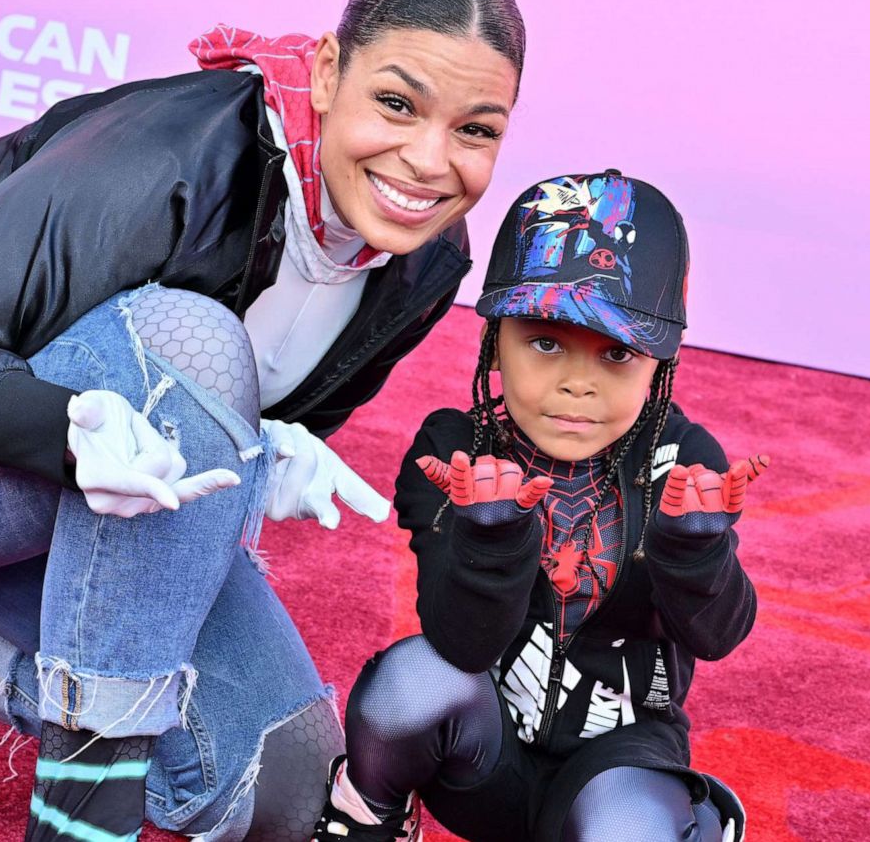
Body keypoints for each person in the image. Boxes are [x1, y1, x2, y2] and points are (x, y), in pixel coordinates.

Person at [0, 0, 524, 841]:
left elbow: (248, 431)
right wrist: (63, 430)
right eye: (398, 103)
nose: (427, 162)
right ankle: (80, 817)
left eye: (476, 130)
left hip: (75, 481)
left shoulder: (424, 261)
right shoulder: (174, 157)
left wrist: (263, 453)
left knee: (285, 787)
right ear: (333, 71)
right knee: (194, 343)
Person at [310, 172, 766, 842]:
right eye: (546, 341)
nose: (577, 381)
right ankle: (367, 816)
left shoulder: (683, 459)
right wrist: (489, 541)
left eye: (617, 353)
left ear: (659, 367)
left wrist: (698, 554)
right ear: (495, 338)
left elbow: (718, 636)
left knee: (628, 826)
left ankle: (682, 817)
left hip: (621, 763)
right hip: (478, 764)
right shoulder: (455, 450)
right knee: (406, 682)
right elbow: (459, 645)